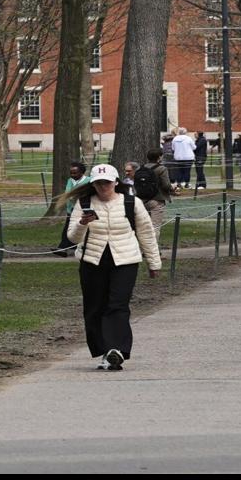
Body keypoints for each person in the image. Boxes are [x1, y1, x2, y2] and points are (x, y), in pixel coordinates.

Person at [61, 164, 163, 371]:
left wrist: (154, 262)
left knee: (118, 304)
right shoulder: (84, 203)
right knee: (95, 306)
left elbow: (146, 233)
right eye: (98, 183)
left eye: (107, 182)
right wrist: (82, 223)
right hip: (92, 260)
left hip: (125, 259)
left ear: (116, 182)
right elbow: (72, 237)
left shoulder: (131, 203)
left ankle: (117, 349)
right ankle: (105, 350)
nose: (103, 187)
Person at [136, 148, 175, 228]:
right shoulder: (162, 169)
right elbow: (166, 185)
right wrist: (172, 188)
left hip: (142, 199)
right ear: (159, 157)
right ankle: (153, 241)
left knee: (144, 226)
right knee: (155, 226)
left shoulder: (141, 168)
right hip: (157, 199)